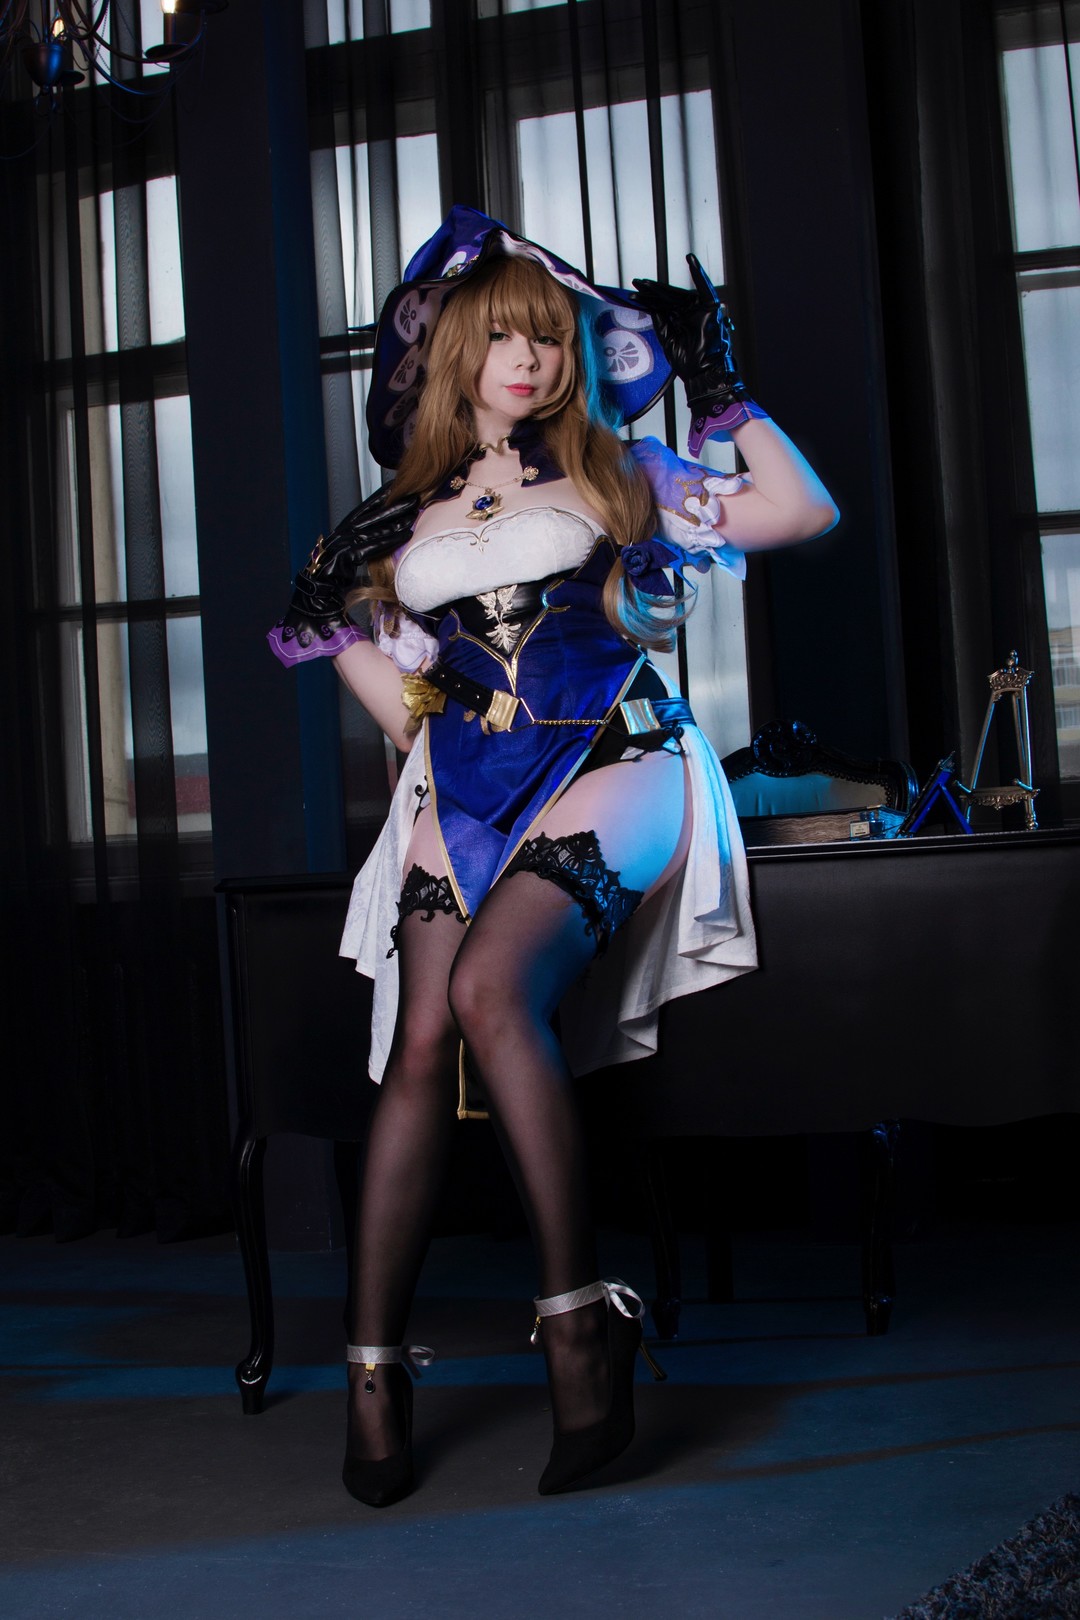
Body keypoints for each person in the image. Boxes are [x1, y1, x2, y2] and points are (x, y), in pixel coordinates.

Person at [269, 206, 838, 1507]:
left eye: (547, 334)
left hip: (618, 759)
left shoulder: (620, 471)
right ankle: (372, 1370)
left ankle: (579, 1322)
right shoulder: (402, 518)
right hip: (468, 782)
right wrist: (337, 627)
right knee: (422, 1040)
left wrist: (721, 386)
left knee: (487, 991)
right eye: (501, 336)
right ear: (452, 353)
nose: (527, 356)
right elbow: (400, 701)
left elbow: (800, 509)